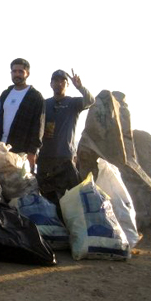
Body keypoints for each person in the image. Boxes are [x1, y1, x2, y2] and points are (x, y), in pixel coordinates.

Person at [37, 69, 95, 206]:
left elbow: (91, 101)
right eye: (55, 81)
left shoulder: (73, 103)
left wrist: (80, 87)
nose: (59, 83)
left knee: (66, 196)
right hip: (45, 157)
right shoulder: (44, 104)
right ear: (50, 84)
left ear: (67, 85)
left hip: (65, 157)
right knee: (43, 193)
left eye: (62, 81)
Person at [0, 58, 45, 173]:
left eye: (20, 71)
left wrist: (32, 153)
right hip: (3, 147)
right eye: (14, 71)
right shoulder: (5, 94)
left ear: (27, 73)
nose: (17, 74)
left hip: (23, 150)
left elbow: (39, 126)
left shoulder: (35, 97)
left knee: (19, 186)